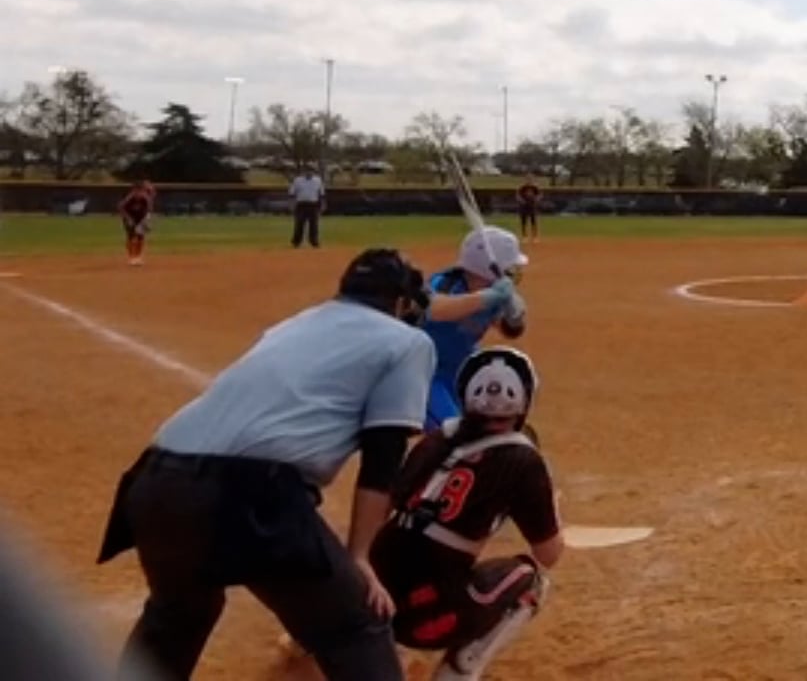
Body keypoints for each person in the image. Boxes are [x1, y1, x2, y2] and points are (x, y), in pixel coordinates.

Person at [96, 248, 439, 680]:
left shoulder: (296, 323)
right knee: (355, 625)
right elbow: (383, 457)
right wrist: (360, 557)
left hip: (155, 480)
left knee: (179, 613)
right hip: (248, 495)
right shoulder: (407, 342)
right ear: (401, 302)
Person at [375, 347, 560, 679]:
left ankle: (354, 649)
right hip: (429, 620)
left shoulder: (434, 440)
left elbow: (384, 508)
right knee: (531, 581)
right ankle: (458, 672)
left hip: (372, 606)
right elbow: (549, 553)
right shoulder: (522, 459)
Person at [420, 226, 531, 433]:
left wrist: (514, 317)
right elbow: (434, 309)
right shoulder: (446, 283)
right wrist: (486, 298)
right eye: (509, 268)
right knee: (453, 432)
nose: (512, 274)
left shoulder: (497, 293)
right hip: (426, 372)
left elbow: (511, 331)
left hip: (462, 369)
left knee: (484, 426)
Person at [119, 180, 156, 266]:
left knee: (140, 237)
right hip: (129, 217)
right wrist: (128, 219)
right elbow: (121, 208)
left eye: (140, 191)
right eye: (136, 191)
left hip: (140, 218)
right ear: (133, 190)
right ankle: (131, 257)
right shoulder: (129, 198)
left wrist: (146, 222)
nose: (138, 193)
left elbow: (149, 210)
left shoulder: (145, 199)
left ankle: (138, 257)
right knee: (131, 236)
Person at [290, 166, 326, 248]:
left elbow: (321, 194)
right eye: (307, 170)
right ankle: (296, 241)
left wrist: (323, 204)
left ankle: (314, 241)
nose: (309, 172)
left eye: (311, 171)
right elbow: (292, 193)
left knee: (314, 224)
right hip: (301, 204)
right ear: (304, 171)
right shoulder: (298, 180)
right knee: (299, 223)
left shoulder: (318, 180)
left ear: (313, 172)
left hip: (313, 204)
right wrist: (292, 204)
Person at [515, 177, 541, 243]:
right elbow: (517, 195)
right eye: (527, 180)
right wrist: (521, 201)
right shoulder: (522, 187)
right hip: (524, 207)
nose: (529, 181)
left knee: (533, 222)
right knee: (524, 222)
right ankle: (525, 237)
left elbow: (539, 195)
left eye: (530, 180)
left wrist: (537, 199)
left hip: (532, 207)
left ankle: (535, 237)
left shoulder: (535, 187)